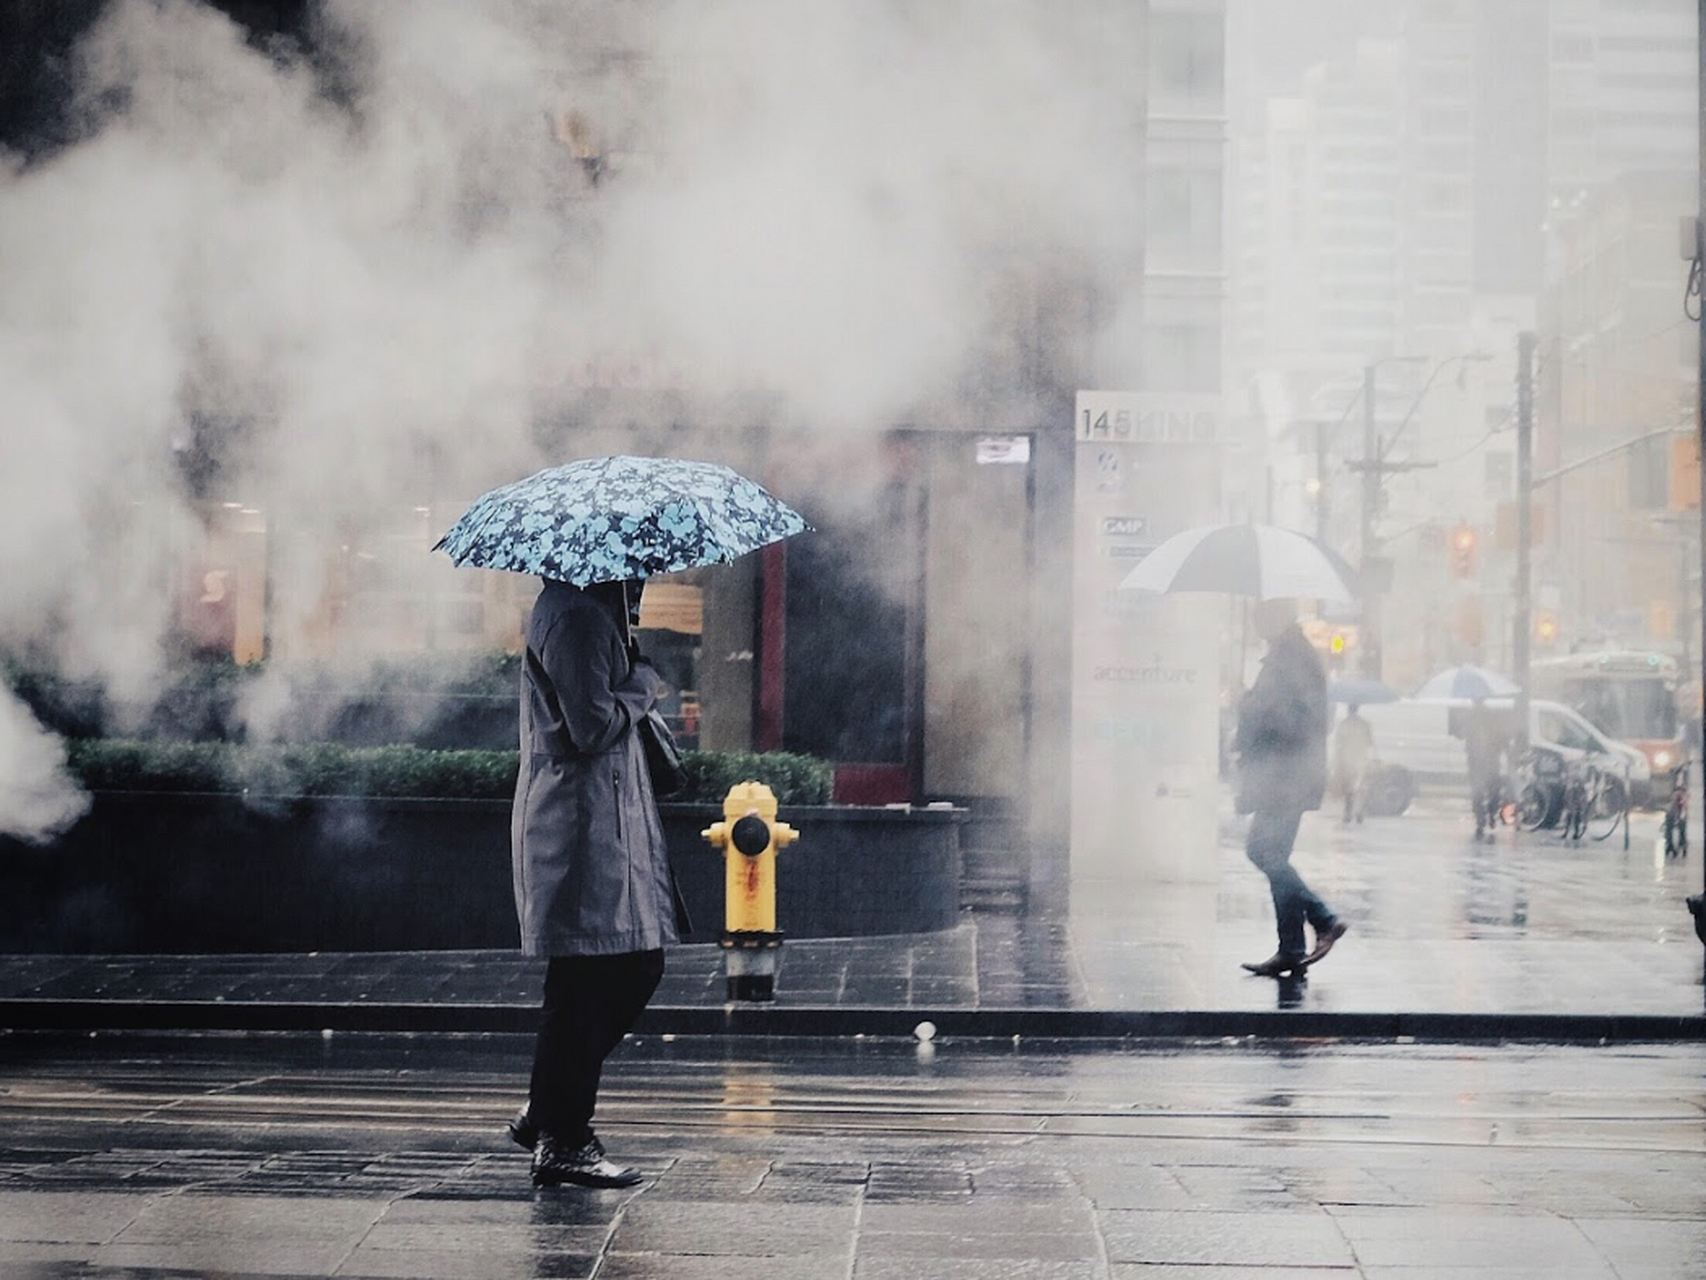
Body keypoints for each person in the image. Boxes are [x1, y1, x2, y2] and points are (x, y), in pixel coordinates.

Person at [507, 576, 687, 1188]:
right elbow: (590, 726)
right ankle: (564, 1134)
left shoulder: (581, 610)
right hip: (583, 828)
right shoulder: (580, 618)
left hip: (598, 823)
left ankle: (551, 1110)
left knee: (591, 978)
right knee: (612, 972)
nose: (643, 573)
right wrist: (643, 684)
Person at [1234, 598, 1348, 978]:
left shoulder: (1292, 659)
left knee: (1262, 851)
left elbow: (1290, 718)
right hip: (1286, 774)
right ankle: (1292, 948)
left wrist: (1247, 705)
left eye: (1259, 617)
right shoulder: (1290, 656)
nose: (1255, 625)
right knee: (1272, 854)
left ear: (1275, 618)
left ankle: (1323, 918)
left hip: (1287, 776)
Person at [1461, 696, 1508, 842]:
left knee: (1478, 792)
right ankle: (1490, 815)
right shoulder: (1492, 716)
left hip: (1478, 762)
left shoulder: (1470, 717)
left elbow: (1465, 738)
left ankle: (1480, 819)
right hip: (1490, 761)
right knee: (1492, 790)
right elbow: (1501, 738)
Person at [1332, 702, 1375, 825]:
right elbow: (1370, 743)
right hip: (1361, 759)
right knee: (1360, 787)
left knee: (1348, 788)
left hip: (1347, 760)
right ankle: (1360, 812)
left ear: (1348, 710)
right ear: (1358, 709)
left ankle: (1347, 813)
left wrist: (1336, 762)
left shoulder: (1343, 724)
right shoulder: (1365, 724)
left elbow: (1338, 744)